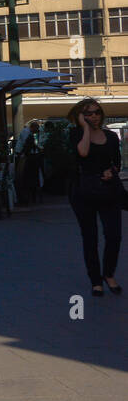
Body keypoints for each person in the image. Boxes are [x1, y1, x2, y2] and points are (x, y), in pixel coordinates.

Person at [67, 98, 122, 296]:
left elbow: (117, 162)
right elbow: (83, 153)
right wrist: (85, 128)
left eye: (97, 112)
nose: (94, 116)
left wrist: (111, 171)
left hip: (108, 191)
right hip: (84, 193)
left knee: (114, 235)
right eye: (88, 113)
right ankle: (95, 280)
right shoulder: (76, 135)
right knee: (90, 238)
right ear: (81, 116)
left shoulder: (111, 136)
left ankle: (109, 273)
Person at [17, 120, 43, 206]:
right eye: (37, 128)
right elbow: (27, 144)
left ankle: (28, 197)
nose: (37, 130)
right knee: (25, 177)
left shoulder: (30, 134)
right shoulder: (26, 132)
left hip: (26, 157)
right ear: (33, 127)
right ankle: (26, 197)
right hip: (23, 156)